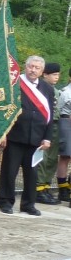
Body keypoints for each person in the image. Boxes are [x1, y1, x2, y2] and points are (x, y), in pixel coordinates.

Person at [0, 55, 53, 216]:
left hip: (36, 139)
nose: (33, 70)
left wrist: (47, 138)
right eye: (30, 66)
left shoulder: (47, 89)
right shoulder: (15, 84)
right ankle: (5, 201)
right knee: (9, 171)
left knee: (32, 174)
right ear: (25, 67)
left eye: (37, 68)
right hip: (15, 136)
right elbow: (5, 109)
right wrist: (4, 132)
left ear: (42, 71)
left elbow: (50, 116)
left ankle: (28, 204)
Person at [35, 62, 62, 204]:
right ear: (45, 74)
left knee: (52, 159)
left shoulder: (55, 90)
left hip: (55, 124)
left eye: (58, 75)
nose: (56, 77)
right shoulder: (39, 88)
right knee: (43, 158)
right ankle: (38, 188)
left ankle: (45, 186)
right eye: (54, 74)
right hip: (44, 124)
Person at [56, 69, 71, 206]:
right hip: (67, 123)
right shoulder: (65, 92)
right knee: (66, 156)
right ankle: (63, 188)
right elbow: (57, 110)